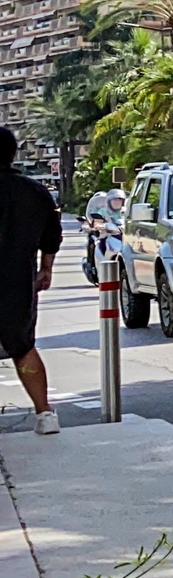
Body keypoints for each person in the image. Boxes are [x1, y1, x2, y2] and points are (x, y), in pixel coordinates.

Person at [0, 131, 63, 435]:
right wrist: (45, 268)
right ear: (13, 155)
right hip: (18, 281)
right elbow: (52, 235)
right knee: (22, 346)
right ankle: (44, 413)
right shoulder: (35, 191)